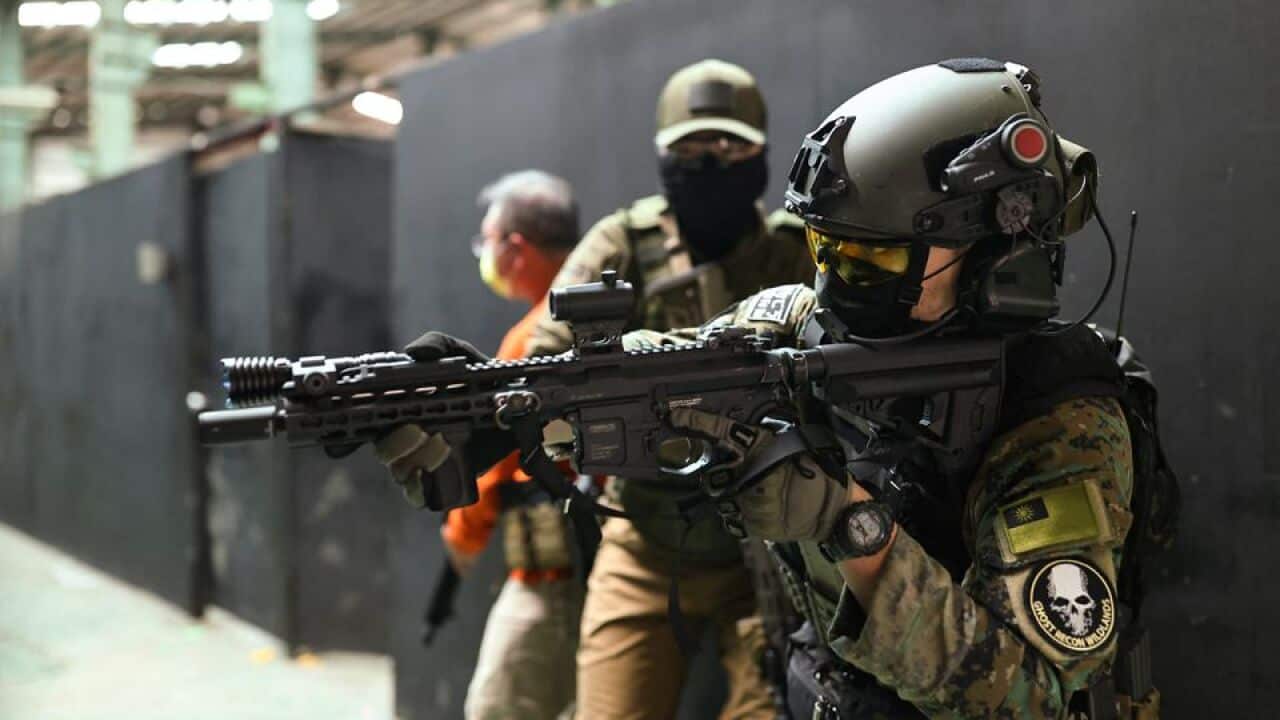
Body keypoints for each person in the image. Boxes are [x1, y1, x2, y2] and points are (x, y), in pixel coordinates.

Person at [636, 59, 1164, 718]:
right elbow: (670, 368)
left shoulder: (1059, 419)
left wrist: (841, 524)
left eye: (872, 260)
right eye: (824, 249)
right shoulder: (803, 323)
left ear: (995, 253)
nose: (833, 282)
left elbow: (1032, 697)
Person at [521, 59, 813, 720]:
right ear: (661, 156)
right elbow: (543, 364)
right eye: (691, 148)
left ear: (762, 156)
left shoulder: (796, 254)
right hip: (647, 537)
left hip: (770, 544)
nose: (711, 162)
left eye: (730, 147)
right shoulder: (622, 242)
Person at [388, 170, 583, 720]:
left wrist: (458, 557)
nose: (483, 252)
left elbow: (486, 480)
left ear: (515, 248)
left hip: (553, 583)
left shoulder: (531, 340)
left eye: (486, 239)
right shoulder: (602, 318)